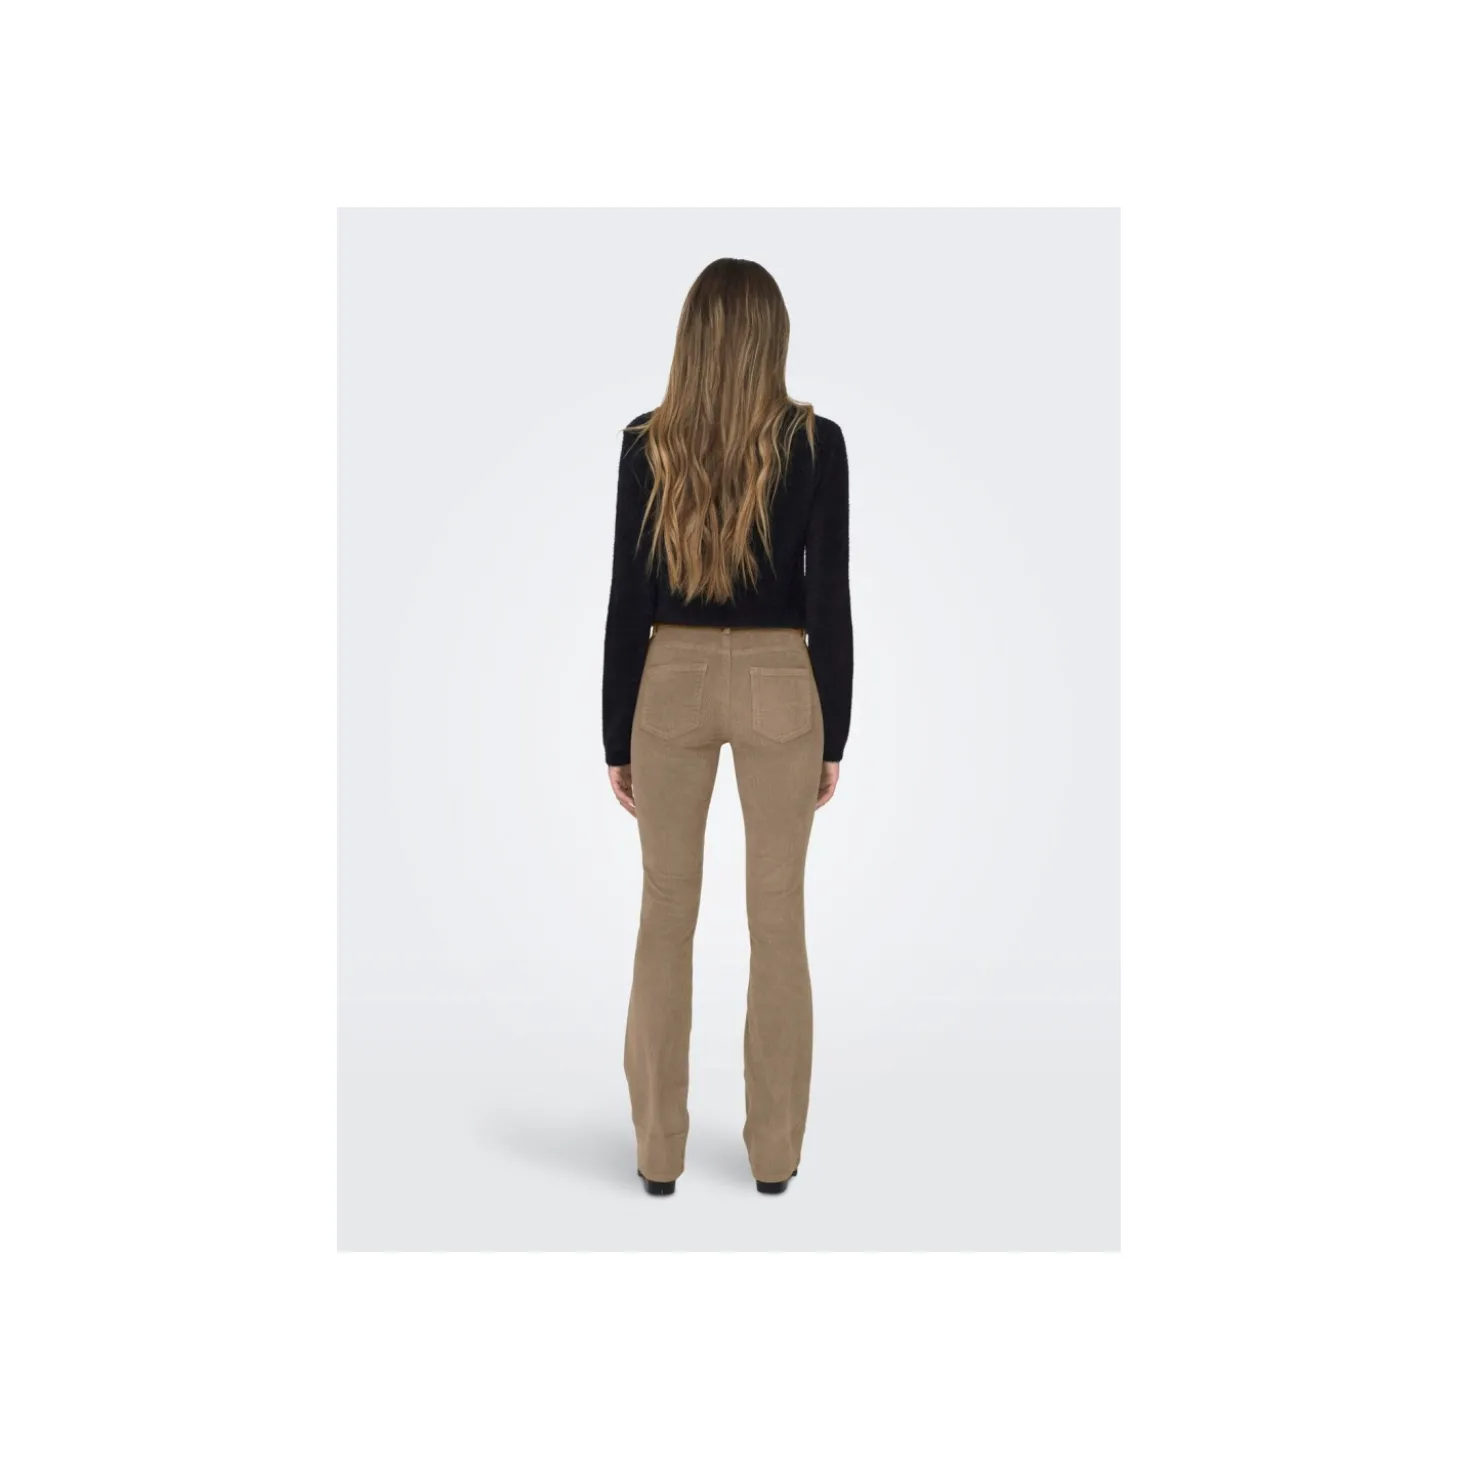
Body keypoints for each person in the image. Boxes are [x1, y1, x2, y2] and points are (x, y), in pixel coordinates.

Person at [601, 257, 852, 1198]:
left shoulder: (647, 442)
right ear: (771, 337)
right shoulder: (816, 444)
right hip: (784, 679)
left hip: (668, 678)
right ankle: (775, 1156)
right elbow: (828, 596)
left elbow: (628, 597)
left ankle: (658, 1154)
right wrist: (834, 731)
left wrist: (615, 734)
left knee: (665, 913)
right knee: (777, 917)